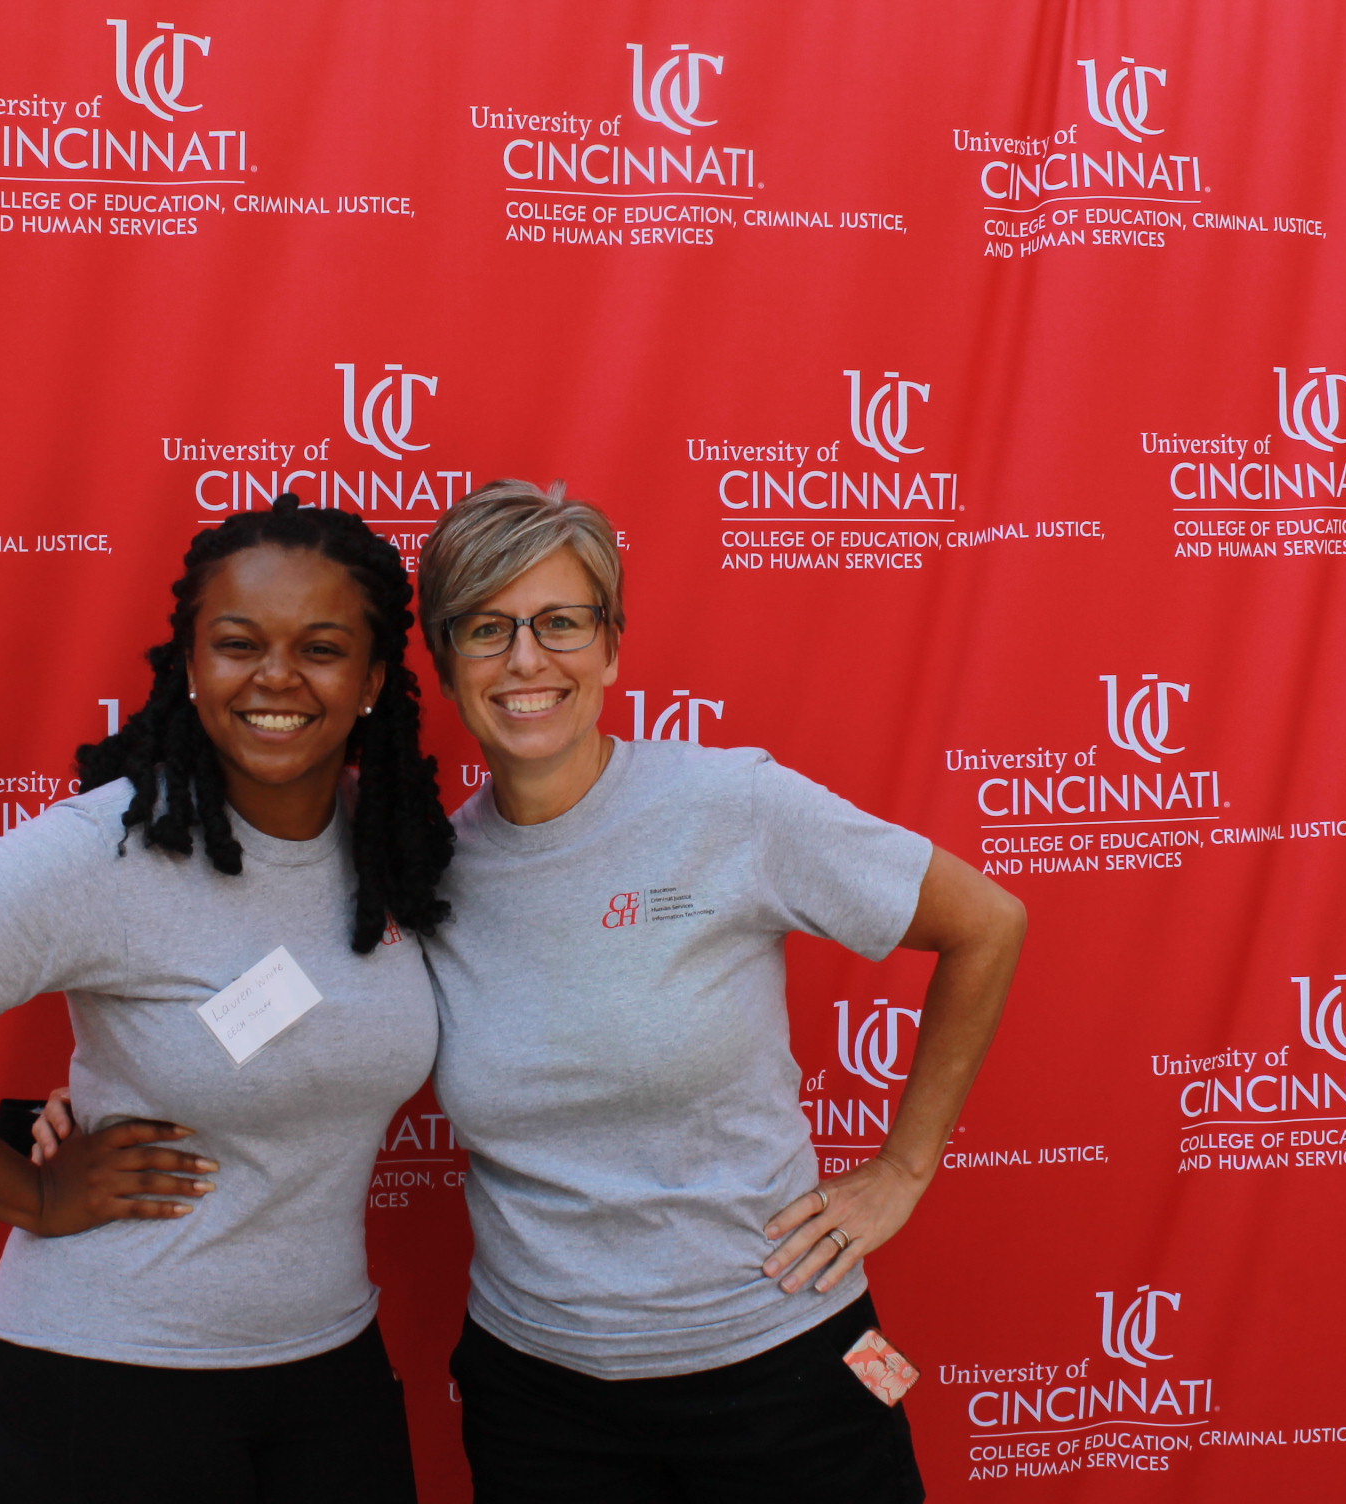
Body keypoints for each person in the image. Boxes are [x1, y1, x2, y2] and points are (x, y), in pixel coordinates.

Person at [0, 497, 455, 1504]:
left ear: (372, 682)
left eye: (321, 647)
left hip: (330, 1370)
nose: (276, 677)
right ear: (189, 665)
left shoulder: (393, 848)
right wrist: (33, 1192)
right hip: (113, 1381)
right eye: (237, 643)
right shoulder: (105, 846)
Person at [418, 479, 1025, 1502]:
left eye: (560, 622)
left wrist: (905, 1167)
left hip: (782, 1369)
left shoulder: (727, 804)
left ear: (610, 647)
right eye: (488, 628)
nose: (526, 659)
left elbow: (987, 922)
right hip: (539, 1398)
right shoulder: (425, 868)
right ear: (446, 664)